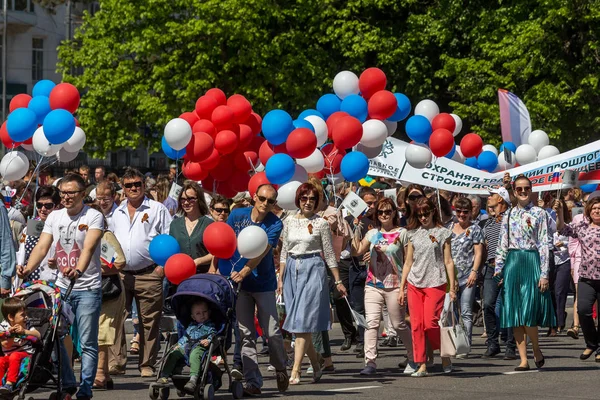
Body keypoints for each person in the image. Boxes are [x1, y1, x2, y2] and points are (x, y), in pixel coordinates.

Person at [19, 173, 104, 400]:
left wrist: (79, 270)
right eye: (63, 193)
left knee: (86, 342)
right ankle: (68, 384)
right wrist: (27, 268)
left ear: (83, 194)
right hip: (61, 287)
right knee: (55, 336)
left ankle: (85, 389)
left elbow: (89, 247)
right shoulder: (55, 217)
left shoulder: (94, 216)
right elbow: (42, 246)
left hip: (87, 287)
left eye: (71, 193)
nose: (66, 197)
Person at [210, 184, 289, 396]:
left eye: (270, 201)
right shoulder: (237, 216)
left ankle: (280, 367)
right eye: (262, 199)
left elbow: (262, 251)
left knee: (272, 332)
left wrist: (245, 270)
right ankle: (253, 381)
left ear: (274, 204)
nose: (265, 204)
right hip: (239, 285)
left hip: (263, 284)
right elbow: (224, 240)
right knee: (245, 334)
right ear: (254, 197)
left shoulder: (275, 224)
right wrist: (216, 267)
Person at [278, 183, 347, 384]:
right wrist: (281, 279)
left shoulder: (321, 223)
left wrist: (337, 280)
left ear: (317, 202)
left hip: (313, 269)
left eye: (312, 199)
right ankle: (316, 364)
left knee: (303, 322)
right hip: (291, 270)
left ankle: (296, 370)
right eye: (304, 198)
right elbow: (283, 252)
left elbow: (329, 254)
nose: (308, 202)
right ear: (298, 200)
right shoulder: (289, 221)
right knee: (298, 324)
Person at [110, 168, 173, 377]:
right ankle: (117, 362)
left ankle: (146, 364)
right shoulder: (116, 212)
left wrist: (161, 268)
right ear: (123, 188)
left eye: (137, 184)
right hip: (121, 274)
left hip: (149, 273)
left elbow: (169, 237)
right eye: (129, 185)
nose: (134, 188)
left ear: (144, 186)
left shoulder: (157, 209)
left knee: (150, 321)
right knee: (116, 319)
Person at [495, 175, 555, 371]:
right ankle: (523, 359)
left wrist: (544, 273)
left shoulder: (540, 213)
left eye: (526, 188)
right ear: (514, 191)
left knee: (529, 310)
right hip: (513, 262)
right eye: (519, 189)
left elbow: (545, 243)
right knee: (514, 311)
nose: (522, 192)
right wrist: (499, 268)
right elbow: (502, 242)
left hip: (531, 260)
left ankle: (536, 348)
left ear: (531, 190)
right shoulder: (508, 214)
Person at [352, 197, 415, 375]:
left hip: (395, 285)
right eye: (380, 212)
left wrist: (404, 287)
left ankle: (413, 357)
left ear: (394, 213)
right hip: (373, 284)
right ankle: (370, 362)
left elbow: (408, 261)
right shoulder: (372, 234)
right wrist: (353, 231)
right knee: (371, 323)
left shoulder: (403, 233)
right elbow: (357, 251)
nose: (384, 215)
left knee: (398, 324)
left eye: (388, 211)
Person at [398, 197, 456, 377]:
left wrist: (452, 287)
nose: (423, 217)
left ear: (433, 212)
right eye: (420, 214)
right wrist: (402, 288)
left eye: (426, 213)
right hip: (415, 282)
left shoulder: (443, 233)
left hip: (436, 282)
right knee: (416, 325)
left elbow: (448, 261)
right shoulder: (411, 234)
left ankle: (444, 353)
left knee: (431, 323)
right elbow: (408, 262)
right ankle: (421, 364)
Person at [556, 196, 600, 361]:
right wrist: (560, 213)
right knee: (583, 310)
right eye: (594, 208)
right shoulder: (582, 226)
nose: (597, 211)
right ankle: (591, 343)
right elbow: (562, 229)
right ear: (589, 210)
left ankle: (598, 348)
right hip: (586, 277)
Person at [93, 210, 126, 390]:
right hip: (87, 290)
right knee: (93, 331)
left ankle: (99, 373)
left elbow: (119, 263)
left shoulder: (104, 237)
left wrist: (94, 268)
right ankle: (104, 374)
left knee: (102, 331)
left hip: (108, 292)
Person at [481, 187, 516, 359]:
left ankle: (511, 345)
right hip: (490, 267)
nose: (488, 199)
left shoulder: (510, 218)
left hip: (507, 266)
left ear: (501, 199)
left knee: (508, 306)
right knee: (487, 304)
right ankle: (493, 343)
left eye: (492, 196)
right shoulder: (488, 222)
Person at [156, 299, 217, 393]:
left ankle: (193, 379)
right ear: (193, 317)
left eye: (204, 312)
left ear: (209, 312)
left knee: (195, 355)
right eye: (198, 313)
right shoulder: (191, 326)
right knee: (173, 353)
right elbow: (185, 337)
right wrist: (178, 345)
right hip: (187, 346)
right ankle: (164, 376)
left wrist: (208, 340)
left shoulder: (210, 325)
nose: (202, 315)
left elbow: (213, 334)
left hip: (199, 346)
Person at [449, 197, 483, 356]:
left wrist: (474, 272)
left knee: (466, 311)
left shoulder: (475, 229)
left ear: (471, 213)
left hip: (468, 275)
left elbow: (478, 253)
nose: (462, 215)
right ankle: (454, 343)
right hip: (451, 276)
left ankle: (465, 346)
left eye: (465, 212)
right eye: (459, 211)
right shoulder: (448, 228)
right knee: (452, 313)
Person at [15, 186, 61, 283]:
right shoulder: (28, 228)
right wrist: (19, 265)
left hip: (51, 282)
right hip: (28, 281)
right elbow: (21, 250)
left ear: (57, 206)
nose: (43, 209)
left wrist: (58, 262)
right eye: (39, 205)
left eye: (48, 206)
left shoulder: (62, 228)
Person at [169, 182, 213, 274]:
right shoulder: (175, 225)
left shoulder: (209, 224)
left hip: (202, 275)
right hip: (180, 275)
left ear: (199, 200)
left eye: (191, 199)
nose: (186, 202)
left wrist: (198, 261)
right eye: (183, 199)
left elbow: (215, 253)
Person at [0, 298, 41, 394]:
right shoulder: (3, 327)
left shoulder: (26, 324)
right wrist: (10, 335)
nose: (26, 317)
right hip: (8, 355)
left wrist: (25, 332)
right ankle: (1, 386)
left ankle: (10, 384)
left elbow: (38, 335)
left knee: (15, 355)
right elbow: (6, 345)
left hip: (25, 354)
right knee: (1, 360)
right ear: (11, 317)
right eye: (22, 315)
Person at [552, 199, 572, 334]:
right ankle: (553, 321)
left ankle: (559, 323)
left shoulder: (569, 226)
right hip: (551, 260)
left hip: (565, 260)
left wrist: (564, 245)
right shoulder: (548, 222)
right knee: (552, 292)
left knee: (560, 292)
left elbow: (575, 243)